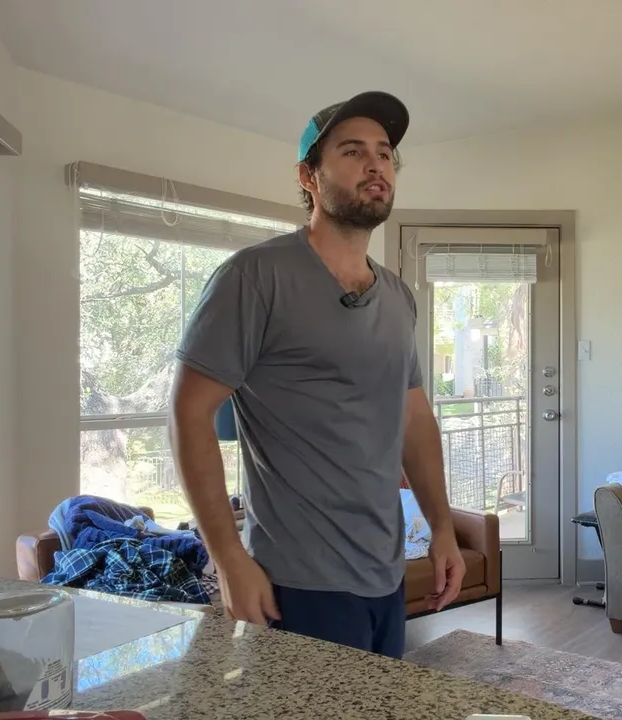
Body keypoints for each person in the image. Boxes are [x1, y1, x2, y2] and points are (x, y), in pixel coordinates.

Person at [168, 91, 465, 659]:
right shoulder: (254, 277)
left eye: (384, 153)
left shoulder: (398, 296)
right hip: (296, 582)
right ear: (309, 177)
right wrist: (228, 559)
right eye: (353, 152)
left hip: (384, 574)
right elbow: (189, 413)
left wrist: (442, 529)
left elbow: (414, 420)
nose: (375, 164)